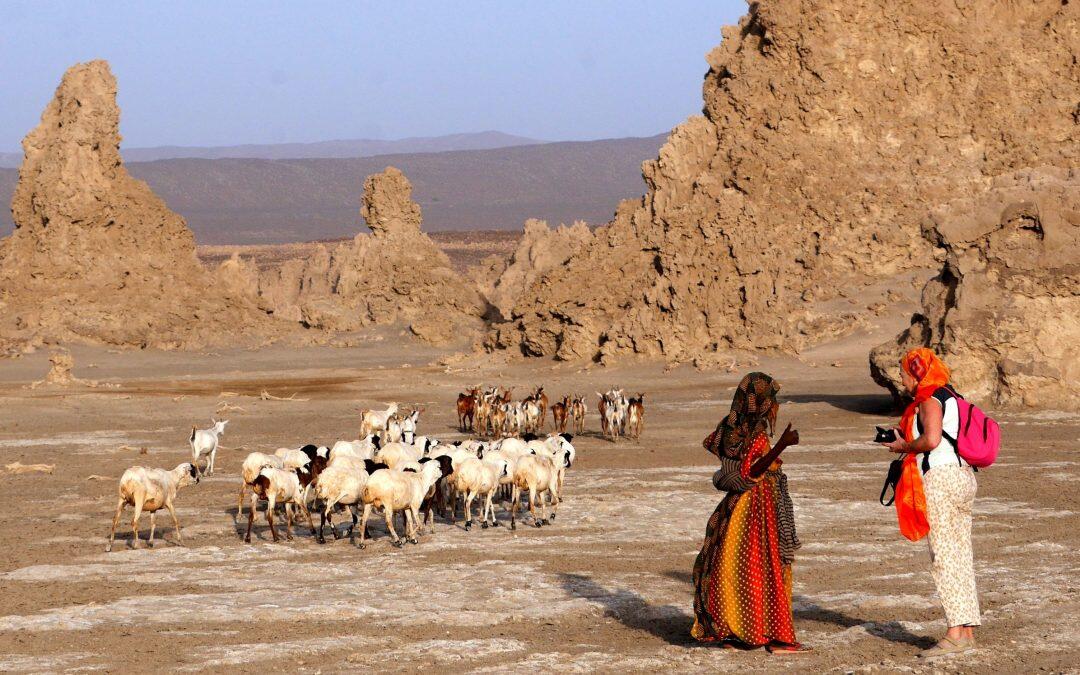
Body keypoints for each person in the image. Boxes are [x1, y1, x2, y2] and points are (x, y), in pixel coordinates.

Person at [691, 372, 808, 653]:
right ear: (764, 403)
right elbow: (751, 471)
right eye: (773, 399)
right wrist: (782, 445)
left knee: (735, 568)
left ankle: (737, 632)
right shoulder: (753, 434)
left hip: (739, 509)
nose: (776, 405)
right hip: (756, 508)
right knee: (765, 568)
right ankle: (776, 638)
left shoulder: (734, 428)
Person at [880, 348, 980, 657]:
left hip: (942, 480)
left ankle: (954, 634)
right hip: (962, 477)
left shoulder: (929, 399)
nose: (901, 378)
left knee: (943, 556)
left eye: (904, 373)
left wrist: (905, 445)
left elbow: (932, 440)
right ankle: (965, 629)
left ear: (917, 372)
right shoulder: (951, 395)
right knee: (959, 552)